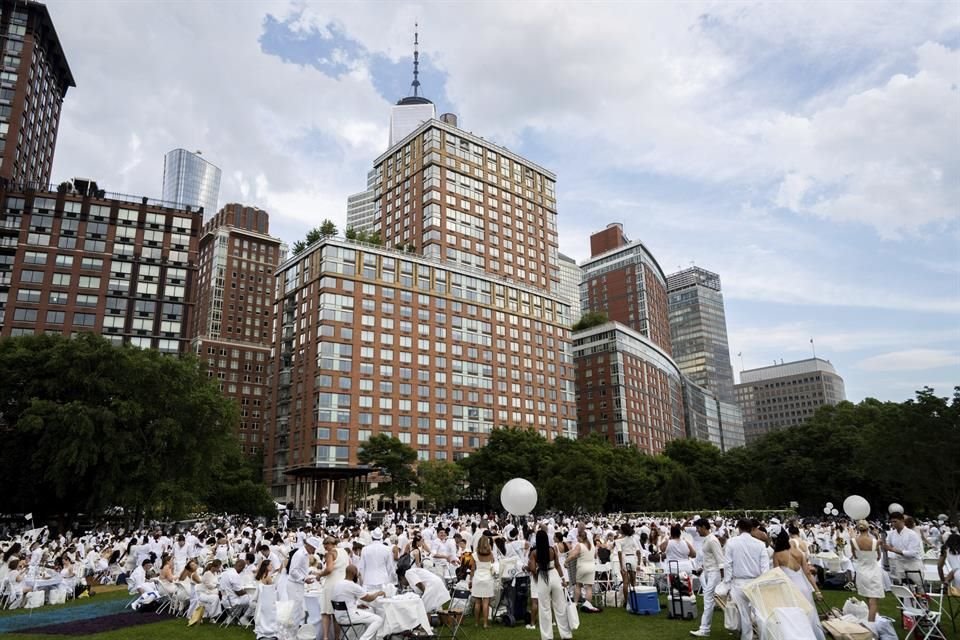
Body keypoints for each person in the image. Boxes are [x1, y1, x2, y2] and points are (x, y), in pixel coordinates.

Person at [723, 518, 770, 640]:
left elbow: (728, 564)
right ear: (752, 529)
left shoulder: (731, 543)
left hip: (738, 582)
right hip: (755, 581)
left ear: (739, 528)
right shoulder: (760, 544)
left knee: (744, 614)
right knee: (760, 613)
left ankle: (747, 637)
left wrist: (727, 583)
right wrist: (763, 583)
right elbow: (765, 568)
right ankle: (764, 636)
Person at [528, 529, 573, 640]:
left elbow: (532, 569)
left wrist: (535, 576)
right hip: (554, 576)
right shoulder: (552, 550)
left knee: (544, 608)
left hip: (543, 577)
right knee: (560, 606)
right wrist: (563, 578)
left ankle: (547, 636)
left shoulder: (534, 553)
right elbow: (558, 565)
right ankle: (566, 634)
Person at [330, 564, 384, 640]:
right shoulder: (352, 586)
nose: (358, 575)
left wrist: (357, 606)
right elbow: (369, 598)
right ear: (353, 574)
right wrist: (377, 593)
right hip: (349, 617)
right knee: (378, 619)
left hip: (338, 617)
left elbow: (342, 600)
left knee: (369, 612)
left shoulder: (337, 584)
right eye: (357, 573)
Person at [690, 518, 724, 637]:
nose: (697, 531)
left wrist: (724, 578)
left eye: (698, 528)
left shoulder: (712, 540)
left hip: (715, 573)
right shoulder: (708, 540)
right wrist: (702, 568)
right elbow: (710, 558)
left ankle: (704, 629)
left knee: (708, 600)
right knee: (715, 600)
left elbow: (720, 560)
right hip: (710, 572)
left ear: (704, 527)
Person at [772, 529, 821, 606]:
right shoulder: (799, 553)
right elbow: (808, 573)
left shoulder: (777, 555)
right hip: (803, 586)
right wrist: (817, 590)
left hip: (789, 588)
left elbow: (777, 574)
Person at [850, 520, 884, 622]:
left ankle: (874, 619)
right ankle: (871, 626)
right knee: (873, 601)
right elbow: (879, 557)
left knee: (867, 598)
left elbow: (855, 556)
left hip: (861, 571)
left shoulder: (853, 541)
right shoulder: (875, 542)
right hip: (873, 572)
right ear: (868, 528)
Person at [318, 536, 348, 640]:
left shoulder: (330, 553)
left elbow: (329, 569)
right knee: (337, 614)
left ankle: (326, 637)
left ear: (330, 544)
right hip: (342, 584)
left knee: (326, 612)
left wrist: (320, 575)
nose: (325, 548)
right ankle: (337, 638)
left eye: (326, 546)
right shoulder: (344, 552)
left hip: (331, 584)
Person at [287, 535, 319, 629]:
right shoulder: (300, 554)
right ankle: (292, 634)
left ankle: (295, 631)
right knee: (295, 611)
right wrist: (304, 579)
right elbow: (293, 571)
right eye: (314, 549)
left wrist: (313, 572)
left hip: (298, 585)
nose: (314, 551)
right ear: (309, 546)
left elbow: (302, 569)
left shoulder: (304, 554)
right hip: (294, 585)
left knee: (299, 611)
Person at [884, 513, 924, 584]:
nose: (893, 524)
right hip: (899, 563)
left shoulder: (912, 534)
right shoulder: (892, 534)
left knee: (918, 587)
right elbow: (886, 545)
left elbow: (913, 553)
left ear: (902, 520)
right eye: (891, 522)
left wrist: (893, 550)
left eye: (895, 521)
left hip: (912, 564)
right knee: (902, 587)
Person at [568, 529, 598, 611]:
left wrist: (566, 561)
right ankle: (588, 604)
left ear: (580, 537)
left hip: (582, 566)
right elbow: (595, 556)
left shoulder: (579, 545)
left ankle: (575, 603)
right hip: (591, 566)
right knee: (589, 587)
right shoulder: (591, 545)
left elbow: (573, 555)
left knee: (578, 585)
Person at [470, 534, 496, 628]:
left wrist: (470, 579)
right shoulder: (491, 554)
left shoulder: (474, 555)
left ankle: (476, 623)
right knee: (486, 602)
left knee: (477, 602)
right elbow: (493, 564)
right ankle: (485, 623)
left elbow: (472, 569)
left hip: (477, 578)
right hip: (488, 578)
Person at [220, 559, 253, 625]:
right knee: (253, 599)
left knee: (247, 599)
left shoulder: (225, 573)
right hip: (233, 601)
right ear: (240, 566)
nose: (242, 571)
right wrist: (247, 592)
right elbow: (239, 592)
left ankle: (232, 617)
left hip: (225, 599)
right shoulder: (234, 575)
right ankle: (244, 618)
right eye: (242, 569)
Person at [618, 522, 640, 612]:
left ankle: (627, 602)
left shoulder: (618, 541)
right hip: (633, 559)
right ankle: (634, 599)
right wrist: (639, 563)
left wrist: (621, 565)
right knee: (633, 581)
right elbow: (638, 551)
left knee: (625, 582)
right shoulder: (633, 539)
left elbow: (619, 552)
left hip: (625, 558)